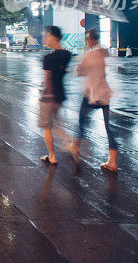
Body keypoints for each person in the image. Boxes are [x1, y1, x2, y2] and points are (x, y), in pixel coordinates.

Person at [69, 30, 118, 173]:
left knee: (82, 122)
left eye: (87, 39)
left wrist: (82, 58)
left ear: (90, 40)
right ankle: (113, 162)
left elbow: (80, 72)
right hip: (104, 94)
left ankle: (75, 147)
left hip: (91, 94)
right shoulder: (104, 53)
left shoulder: (89, 55)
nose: (86, 42)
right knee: (109, 128)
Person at [39, 26, 72, 165]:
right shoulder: (67, 54)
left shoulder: (48, 57)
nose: (45, 38)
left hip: (49, 95)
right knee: (56, 123)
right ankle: (70, 143)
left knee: (46, 127)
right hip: (61, 94)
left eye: (46, 35)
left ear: (53, 36)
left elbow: (48, 78)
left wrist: (46, 91)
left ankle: (52, 156)